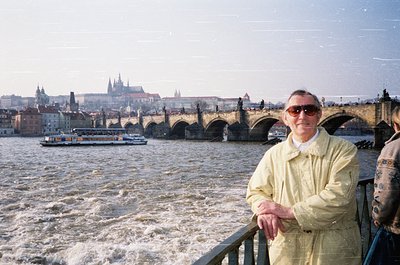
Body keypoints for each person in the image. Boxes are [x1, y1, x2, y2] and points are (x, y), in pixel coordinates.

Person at [246, 89, 361, 265]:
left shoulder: (343, 150)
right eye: (295, 110)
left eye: (309, 110)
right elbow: (256, 191)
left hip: (333, 250)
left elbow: (339, 196)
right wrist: (264, 211)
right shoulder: (273, 154)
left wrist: (287, 212)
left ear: (319, 115)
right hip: (288, 250)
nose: (302, 115)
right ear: (285, 117)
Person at [363, 106, 400, 265]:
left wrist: (377, 215)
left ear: (395, 125)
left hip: (395, 230)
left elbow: (387, 190)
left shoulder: (393, 148)